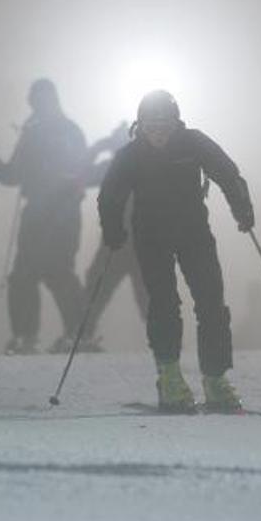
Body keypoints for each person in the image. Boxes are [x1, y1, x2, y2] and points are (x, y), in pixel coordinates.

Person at [97, 91, 254, 413]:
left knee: (211, 301)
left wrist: (242, 210)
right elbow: (109, 196)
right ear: (140, 125)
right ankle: (169, 377)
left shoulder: (193, 143)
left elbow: (228, 174)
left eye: (165, 123)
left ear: (176, 121)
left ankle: (215, 379)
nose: (158, 131)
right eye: (151, 124)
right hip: (151, 236)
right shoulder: (131, 155)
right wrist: (112, 231)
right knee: (164, 303)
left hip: (194, 233)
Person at [0, 78, 89, 355]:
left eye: (41, 101)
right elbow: (14, 175)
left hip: (61, 211)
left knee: (54, 271)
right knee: (28, 275)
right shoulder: (38, 132)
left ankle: (73, 334)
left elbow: (78, 171)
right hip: (43, 212)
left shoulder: (63, 131)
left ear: (51, 100)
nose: (38, 106)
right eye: (35, 101)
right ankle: (33, 336)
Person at [74, 121, 149, 352]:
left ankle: (84, 336)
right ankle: (164, 340)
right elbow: (82, 178)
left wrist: (98, 148)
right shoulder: (125, 164)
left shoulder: (119, 165)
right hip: (129, 241)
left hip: (127, 241)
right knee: (145, 293)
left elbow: (82, 175)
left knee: (101, 286)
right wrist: (98, 148)